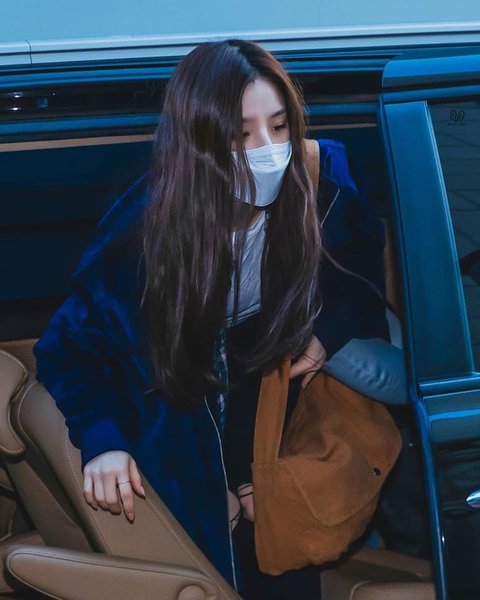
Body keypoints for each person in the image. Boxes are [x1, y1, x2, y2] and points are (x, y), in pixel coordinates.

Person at [33, 39, 390, 599]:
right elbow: (67, 349)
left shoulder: (321, 182)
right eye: (240, 135)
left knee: (283, 563)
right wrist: (103, 442)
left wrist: (328, 333)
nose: (267, 149)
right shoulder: (145, 233)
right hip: (181, 413)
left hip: (268, 404)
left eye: (279, 126)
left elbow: (362, 267)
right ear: (199, 143)